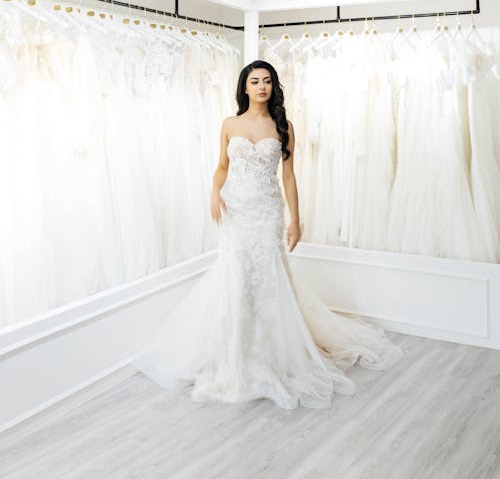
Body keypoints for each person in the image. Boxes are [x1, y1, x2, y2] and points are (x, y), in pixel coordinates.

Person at [133, 60, 403, 409]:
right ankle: (232, 354)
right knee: (235, 276)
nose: (261, 86)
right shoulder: (229, 124)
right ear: (244, 87)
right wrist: (214, 192)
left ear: (274, 87)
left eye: (267, 81)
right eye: (254, 81)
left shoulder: (283, 126)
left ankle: (269, 356)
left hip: (266, 211)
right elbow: (221, 167)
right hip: (236, 211)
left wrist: (296, 220)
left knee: (266, 279)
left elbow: (289, 176)